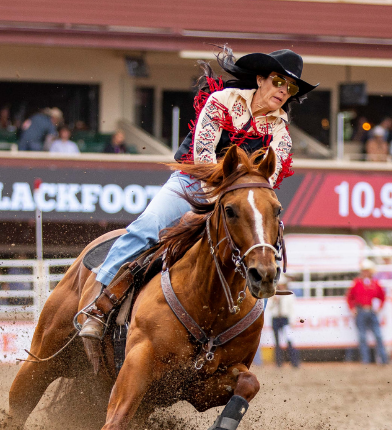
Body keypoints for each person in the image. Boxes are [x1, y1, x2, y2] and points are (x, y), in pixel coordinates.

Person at [76, 48, 312, 344]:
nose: (283, 90)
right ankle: (97, 306)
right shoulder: (221, 101)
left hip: (236, 201)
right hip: (191, 183)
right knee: (147, 229)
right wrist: (220, 202)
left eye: (290, 87)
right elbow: (202, 157)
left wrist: (239, 205)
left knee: (262, 252)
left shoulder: (281, 133)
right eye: (279, 81)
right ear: (261, 78)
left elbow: (268, 180)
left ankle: (242, 335)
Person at [346, 260, 388, 365]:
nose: (365, 272)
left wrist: (380, 307)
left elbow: (382, 297)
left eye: (367, 270)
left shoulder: (375, 283)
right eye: (364, 270)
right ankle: (366, 360)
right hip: (361, 311)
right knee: (363, 337)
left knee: (378, 336)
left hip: (371, 311)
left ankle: (383, 359)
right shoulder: (357, 283)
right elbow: (349, 297)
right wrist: (352, 308)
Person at [269, 277, 300, 367]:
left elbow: (292, 309)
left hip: (285, 319)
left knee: (289, 341)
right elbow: (269, 308)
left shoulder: (289, 295)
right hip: (276, 318)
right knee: (277, 341)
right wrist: (274, 301)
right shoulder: (273, 295)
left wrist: (292, 321)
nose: (281, 286)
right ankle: (279, 363)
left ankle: (294, 362)